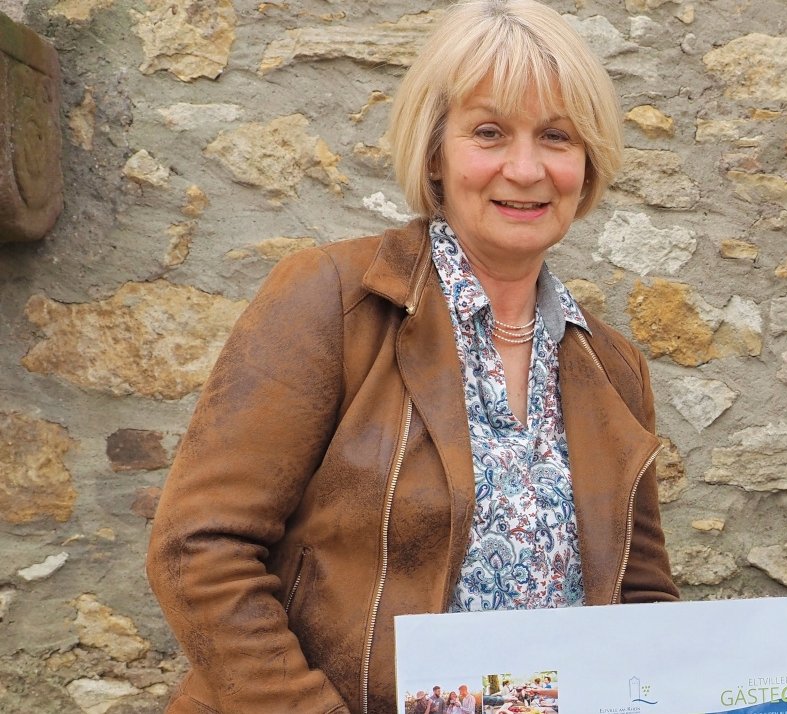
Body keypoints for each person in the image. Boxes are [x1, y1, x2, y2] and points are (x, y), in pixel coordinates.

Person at [145, 1, 678, 712]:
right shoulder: (333, 300)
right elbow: (201, 551)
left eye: (556, 136)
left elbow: (640, 597)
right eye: (489, 132)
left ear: (587, 164)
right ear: (434, 152)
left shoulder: (613, 369)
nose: (525, 169)